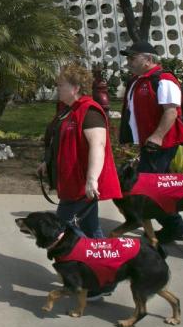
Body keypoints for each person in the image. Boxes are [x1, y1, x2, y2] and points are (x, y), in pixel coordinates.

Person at [120, 41, 183, 244]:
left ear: (149, 59)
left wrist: (158, 136)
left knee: (149, 189)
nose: (129, 62)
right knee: (158, 186)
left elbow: (171, 111)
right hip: (150, 144)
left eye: (133, 58)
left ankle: (175, 226)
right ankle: (173, 223)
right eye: (129, 58)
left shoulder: (164, 80)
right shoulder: (141, 80)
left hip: (161, 144)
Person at [38, 63, 122, 240]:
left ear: (75, 88)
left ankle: (92, 261)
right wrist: (47, 162)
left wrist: (92, 180)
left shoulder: (89, 111)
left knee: (62, 228)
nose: (57, 88)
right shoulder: (67, 110)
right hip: (72, 183)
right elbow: (57, 140)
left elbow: (98, 145)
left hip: (80, 184)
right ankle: (103, 260)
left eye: (61, 85)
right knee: (90, 229)